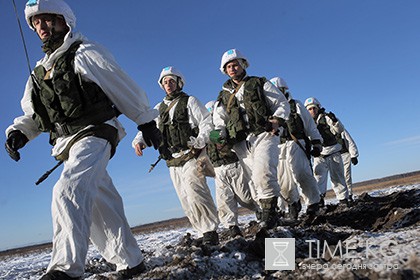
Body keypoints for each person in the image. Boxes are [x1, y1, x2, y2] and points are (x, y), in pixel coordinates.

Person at [5, 1, 162, 279]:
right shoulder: (39, 72)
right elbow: (34, 113)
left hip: (96, 132)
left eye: (47, 20)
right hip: (67, 142)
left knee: (67, 190)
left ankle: (66, 269)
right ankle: (130, 260)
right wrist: (19, 132)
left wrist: (145, 119)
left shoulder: (85, 52)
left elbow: (120, 84)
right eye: (36, 23)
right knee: (102, 202)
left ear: (64, 20)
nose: (41, 27)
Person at [132, 66, 220, 245]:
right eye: (165, 82)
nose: (168, 84)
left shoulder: (190, 101)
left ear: (179, 82)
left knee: (196, 192)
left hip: (192, 154)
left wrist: (201, 140)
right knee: (185, 198)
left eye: (171, 80)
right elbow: (149, 127)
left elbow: (206, 122)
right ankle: (201, 232)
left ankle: (210, 231)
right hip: (172, 160)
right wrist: (139, 141)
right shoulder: (159, 108)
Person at [212, 49, 290, 229]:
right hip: (240, 143)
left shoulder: (259, 83)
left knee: (263, 174)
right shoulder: (223, 95)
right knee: (254, 182)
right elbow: (218, 121)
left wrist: (276, 121)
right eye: (229, 66)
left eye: (236, 64)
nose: (233, 68)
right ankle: (268, 217)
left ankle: (270, 219)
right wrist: (217, 138)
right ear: (225, 70)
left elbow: (281, 104)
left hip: (264, 134)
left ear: (243, 65)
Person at [270, 77, 322, 219]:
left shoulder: (296, 106)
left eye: (278, 91)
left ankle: (313, 204)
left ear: (284, 90)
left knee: (302, 174)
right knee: (283, 182)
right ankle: (293, 204)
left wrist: (317, 143)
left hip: (297, 144)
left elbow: (310, 125)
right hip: (278, 147)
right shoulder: (269, 111)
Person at [205, 100, 257, 238]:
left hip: (233, 165)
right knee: (224, 200)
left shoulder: (225, 127)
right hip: (218, 170)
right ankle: (232, 227)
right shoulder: (205, 131)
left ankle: (262, 210)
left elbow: (224, 138)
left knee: (246, 197)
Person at [304, 97, 350, 206]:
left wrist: (335, 122)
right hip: (319, 155)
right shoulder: (307, 122)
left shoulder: (327, 118)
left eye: (314, 108)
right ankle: (319, 201)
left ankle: (343, 200)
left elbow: (339, 130)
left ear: (318, 108)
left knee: (338, 178)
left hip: (333, 152)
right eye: (310, 109)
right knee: (318, 179)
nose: (312, 111)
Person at [339, 129, 359, 201]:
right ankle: (342, 197)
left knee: (346, 176)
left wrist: (354, 155)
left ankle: (349, 195)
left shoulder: (341, 129)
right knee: (336, 178)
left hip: (344, 155)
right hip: (333, 156)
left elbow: (350, 141)